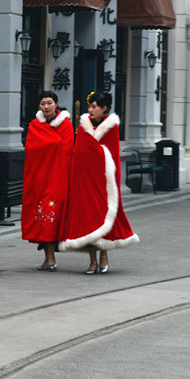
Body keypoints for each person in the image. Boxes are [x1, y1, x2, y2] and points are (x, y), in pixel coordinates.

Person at [60, 92, 138, 274]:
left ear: (104, 108)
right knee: (88, 219)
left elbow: (112, 155)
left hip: (103, 182)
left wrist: (97, 156)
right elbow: (78, 152)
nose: (91, 109)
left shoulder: (111, 127)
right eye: (89, 106)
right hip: (85, 181)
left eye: (94, 106)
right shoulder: (84, 125)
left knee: (103, 218)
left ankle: (103, 257)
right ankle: (92, 260)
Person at [21, 91, 74, 271]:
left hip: (58, 178)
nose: (46, 107)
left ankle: (50, 258)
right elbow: (31, 149)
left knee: (50, 217)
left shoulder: (65, 124)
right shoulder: (35, 125)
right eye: (43, 103)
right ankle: (48, 258)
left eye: (49, 103)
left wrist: (49, 146)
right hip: (39, 179)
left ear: (56, 103)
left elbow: (67, 151)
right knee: (42, 219)